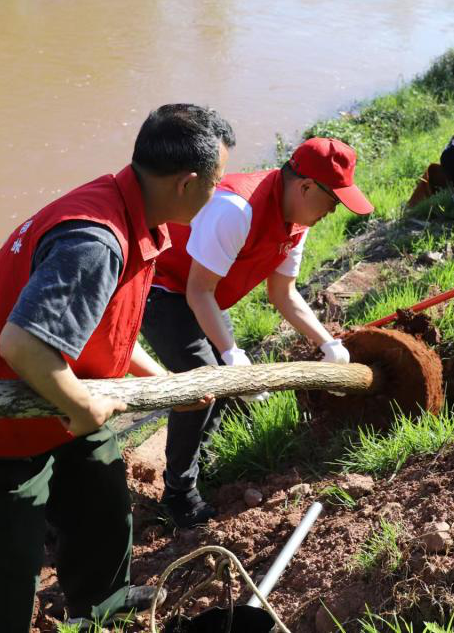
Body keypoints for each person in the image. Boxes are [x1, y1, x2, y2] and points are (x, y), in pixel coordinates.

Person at [0, 103, 235, 631]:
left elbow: (100, 327)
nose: (217, 193)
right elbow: (23, 345)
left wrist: (163, 384)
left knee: (102, 502)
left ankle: (102, 605)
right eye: (215, 183)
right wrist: (83, 407)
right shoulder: (95, 240)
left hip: (61, 391)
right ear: (187, 183)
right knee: (9, 564)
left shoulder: (132, 210)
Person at [141, 137, 374, 528]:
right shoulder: (236, 209)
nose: (333, 210)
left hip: (205, 293)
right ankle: (179, 493)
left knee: (223, 379)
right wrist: (232, 354)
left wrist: (328, 343)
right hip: (162, 287)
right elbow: (198, 291)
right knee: (204, 382)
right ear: (305, 186)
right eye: (332, 200)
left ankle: (200, 460)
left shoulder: (298, 220)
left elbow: (283, 293)